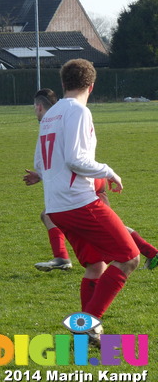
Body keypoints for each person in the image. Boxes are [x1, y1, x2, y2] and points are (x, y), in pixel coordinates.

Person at [31, 59, 140, 346]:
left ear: (64, 83)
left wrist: (42, 177)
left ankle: (86, 336)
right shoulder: (79, 111)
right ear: (91, 86)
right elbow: (76, 160)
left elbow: (40, 162)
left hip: (56, 206)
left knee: (96, 265)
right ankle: (86, 325)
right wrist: (109, 172)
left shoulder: (51, 114)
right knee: (129, 257)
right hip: (78, 202)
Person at [25, 88, 158, 272]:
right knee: (53, 216)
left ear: (39, 107)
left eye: (34, 107)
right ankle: (62, 258)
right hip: (82, 179)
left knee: (108, 229)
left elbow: (70, 159)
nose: (34, 111)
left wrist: (106, 172)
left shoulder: (57, 119)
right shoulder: (60, 116)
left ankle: (150, 252)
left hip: (84, 180)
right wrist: (40, 174)